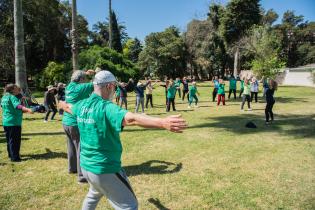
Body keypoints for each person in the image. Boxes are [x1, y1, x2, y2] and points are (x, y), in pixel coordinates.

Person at [59, 70, 187, 210]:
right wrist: (162, 123)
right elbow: (131, 119)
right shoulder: (106, 107)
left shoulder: (82, 105)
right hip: (104, 169)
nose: (115, 90)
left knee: (94, 194)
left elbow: (68, 107)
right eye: (114, 86)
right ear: (109, 86)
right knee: (129, 206)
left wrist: (61, 104)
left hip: (86, 167)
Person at [62, 69, 95, 183]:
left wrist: (85, 73)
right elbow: (97, 84)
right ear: (81, 80)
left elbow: (78, 77)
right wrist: (95, 74)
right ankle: (82, 176)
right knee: (81, 148)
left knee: (71, 146)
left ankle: (72, 168)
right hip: (75, 123)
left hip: (66, 121)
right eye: (84, 79)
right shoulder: (82, 87)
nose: (85, 81)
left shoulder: (69, 86)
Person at [1, 84, 33, 162]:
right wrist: (27, 109)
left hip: (6, 122)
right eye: (16, 88)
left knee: (9, 140)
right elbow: (17, 106)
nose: (18, 89)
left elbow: (3, 107)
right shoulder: (12, 97)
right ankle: (15, 158)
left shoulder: (4, 97)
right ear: (12, 90)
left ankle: (11, 154)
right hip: (14, 122)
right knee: (15, 141)